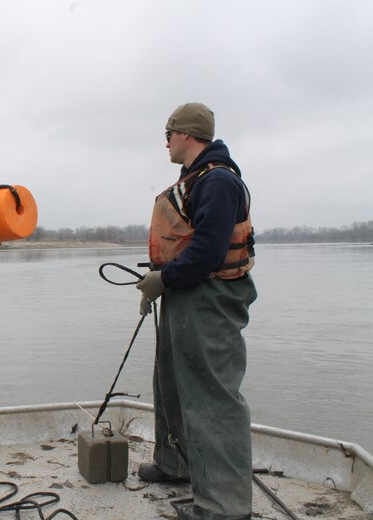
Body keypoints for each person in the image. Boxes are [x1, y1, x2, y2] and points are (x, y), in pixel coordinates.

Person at [135, 103, 257, 520]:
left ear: (186, 134)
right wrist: (160, 282)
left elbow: (208, 251)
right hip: (184, 295)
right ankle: (176, 465)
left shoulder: (218, 181)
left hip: (211, 300)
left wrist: (163, 280)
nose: (165, 142)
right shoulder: (194, 179)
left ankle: (223, 507)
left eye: (168, 134)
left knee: (211, 397)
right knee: (170, 384)